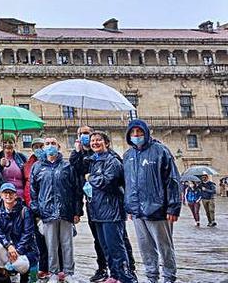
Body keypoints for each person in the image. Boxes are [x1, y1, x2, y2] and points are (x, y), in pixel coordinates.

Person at [124, 119, 181, 283]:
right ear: (129, 135)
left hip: (158, 209)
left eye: (139, 132)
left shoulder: (160, 151)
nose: (136, 135)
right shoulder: (128, 156)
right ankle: (152, 277)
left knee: (164, 247)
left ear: (146, 132)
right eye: (133, 133)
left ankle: (169, 277)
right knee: (145, 248)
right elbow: (128, 183)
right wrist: (129, 207)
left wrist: (173, 207)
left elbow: (172, 180)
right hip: (137, 211)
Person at [86, 131, 136, 283]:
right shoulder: (93, 161)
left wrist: (90, 178)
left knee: (116, 247)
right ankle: (114, 275)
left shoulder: (112, 161)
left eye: (98, 140)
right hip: (98, 210)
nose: (95, 143)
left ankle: (125, 277)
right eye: (92, 140)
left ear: (106, 143)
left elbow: (108, 182)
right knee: (106, 247)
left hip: (111, 210)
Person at [29, 137, 81, 283]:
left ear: (58, 147)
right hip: (46, 212)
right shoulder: (37, 167)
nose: (50, 146)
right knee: (51, 245)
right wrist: (37, 211)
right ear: (43, 148)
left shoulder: (67, 166)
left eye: (53, 143)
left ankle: (69, 272)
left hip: (66, 211)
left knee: (67, 244)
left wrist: (77, 211)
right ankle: (53, 272)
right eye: (47, 144)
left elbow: (76, 189)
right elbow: (33, 191)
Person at [0, 183, 37, 283]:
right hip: (8, 246)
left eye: (11, 193)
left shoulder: (25, 211)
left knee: (20, 265)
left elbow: (28, 233)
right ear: (1, 195)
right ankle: (5, 274)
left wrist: (18, 251)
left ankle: (25, 275)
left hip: (24, 249)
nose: (8, 195)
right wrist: (8, 245)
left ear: (16, 195)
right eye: (5, 193)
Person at [22, 138, 48, 281]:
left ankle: (56, 267)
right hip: (30, 205)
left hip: (46, 206)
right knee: (36, 239)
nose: (38, 149)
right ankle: (41, 267)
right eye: (35, 146)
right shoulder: (27, 164)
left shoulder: (49, 162)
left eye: (41, 146)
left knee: (50, 238)